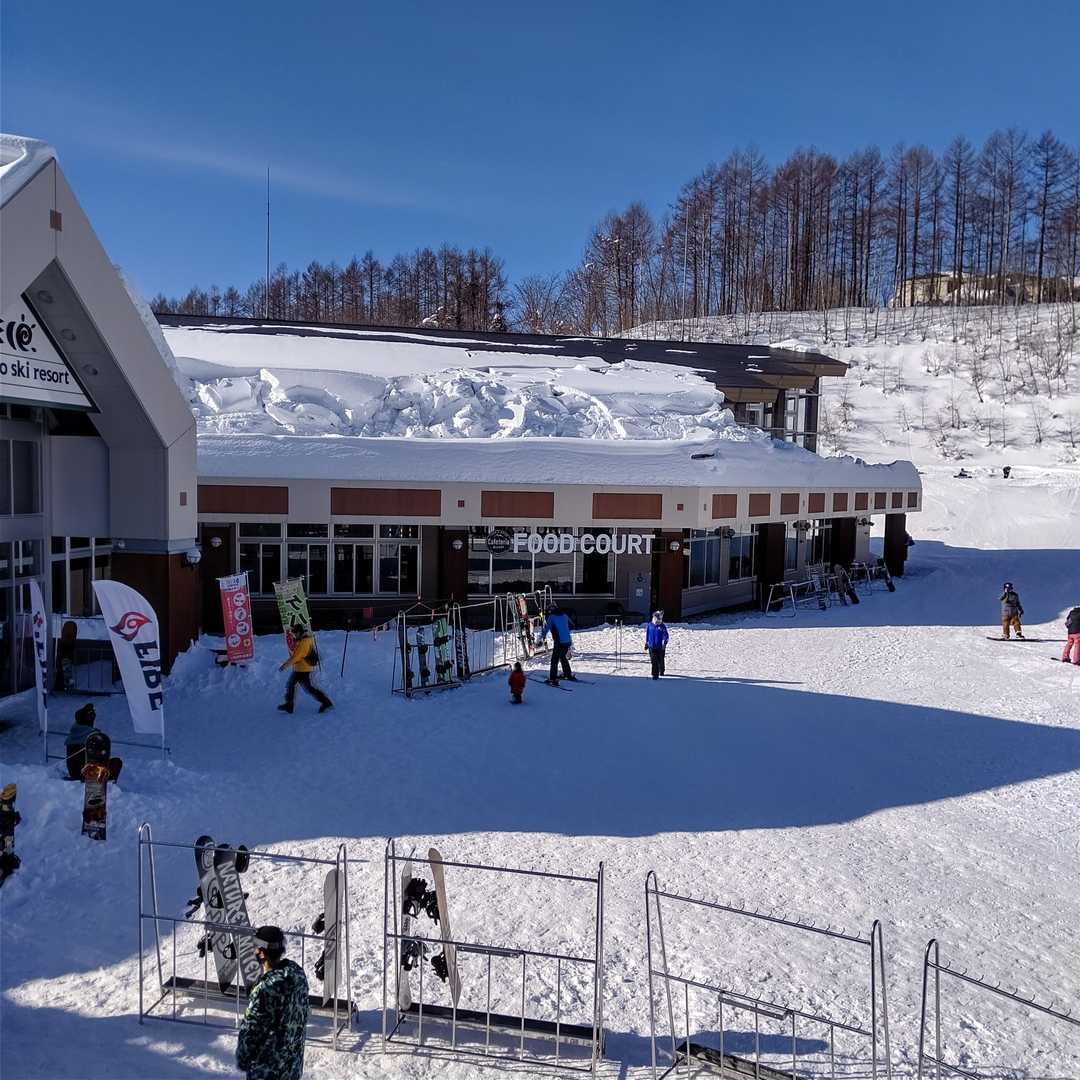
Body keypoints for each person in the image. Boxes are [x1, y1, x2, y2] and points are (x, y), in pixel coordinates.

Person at [236, 925, 310, 1080]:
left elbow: (251, 1029)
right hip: (292, 1067)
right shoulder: (297, 974)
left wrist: (243, 1058)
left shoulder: (266, 989)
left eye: (256, 947)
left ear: (262, 953)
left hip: (267, 1071)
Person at [278, 628, 332, 714]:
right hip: (301, 668)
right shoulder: (303, 640)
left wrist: (285, 665)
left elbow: (296, 657)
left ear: (299, 632)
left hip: (303, 669)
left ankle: (326, 702)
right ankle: (289, 705)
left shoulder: (304, 643)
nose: (294, 635)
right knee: (293, 685)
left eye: (295, 633)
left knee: (306, 688)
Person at [64, 704, 123, 782]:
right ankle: (107, 784)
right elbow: (100, 758)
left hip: (73, 772)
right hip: (86, 773)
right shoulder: (91, 736)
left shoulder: (75, 731)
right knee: (116, 762)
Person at [540, 605, 575, 684]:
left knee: (554, 659)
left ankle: (553, 679)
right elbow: (572, 624)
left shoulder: (551, 617)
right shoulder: (564, 615)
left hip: (559, 641)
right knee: (562, 656)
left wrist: (540, 638)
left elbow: (546, 629)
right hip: (567, 640)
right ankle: (567, 674)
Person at [644, 611, 669, 679]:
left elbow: (666, 635)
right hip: (651, 646)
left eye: (659, 620)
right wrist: (646, 643)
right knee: (654, 660)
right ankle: (655, 674)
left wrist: (664, 643)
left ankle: (661, 670)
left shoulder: (662, 626)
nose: (658, 621)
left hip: (660, 647)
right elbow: (648, 635)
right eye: (657, 620)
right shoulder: (650, 625)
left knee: (660, 660)